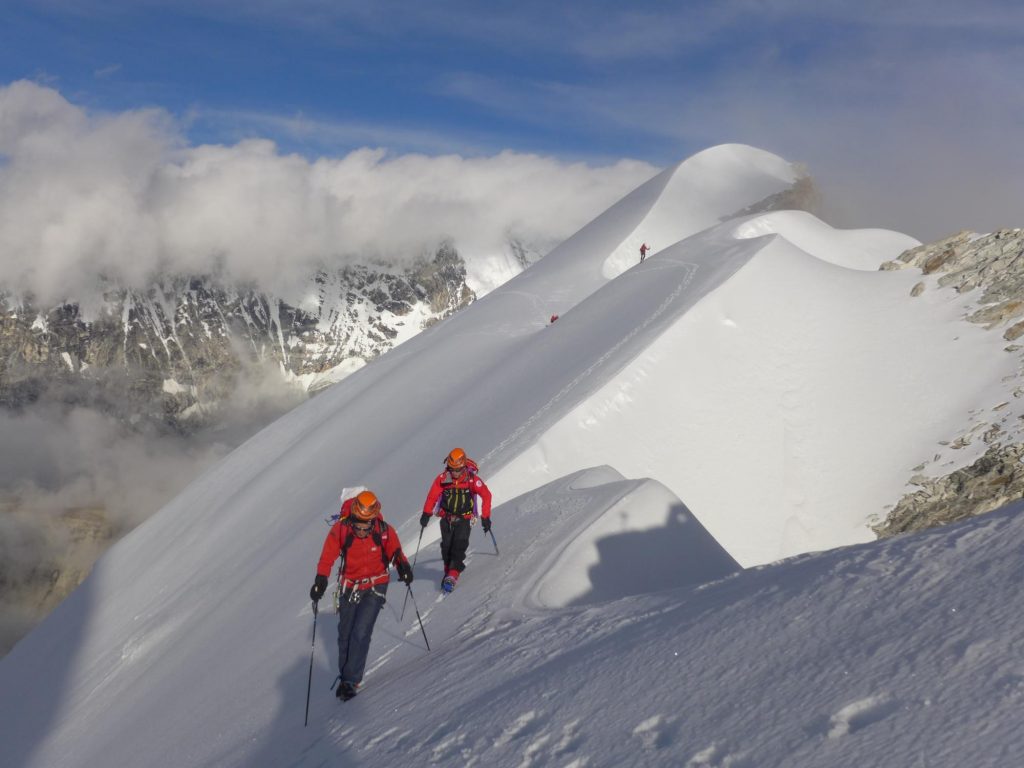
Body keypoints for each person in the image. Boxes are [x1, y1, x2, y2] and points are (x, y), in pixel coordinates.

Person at [309, 489, 413, 701]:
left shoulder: (385, 531)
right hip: (349, 587)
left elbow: (396, 552)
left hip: (376, 586)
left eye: (366, 524)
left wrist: (403, 567)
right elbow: (327, 556)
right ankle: (346, 675)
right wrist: (321, 579)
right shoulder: (341, 529)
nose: (362, 528)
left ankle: (351, 681)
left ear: (374, 518)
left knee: (361, 632)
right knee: (345, 634)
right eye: (358, 523)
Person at [419, 448, 493, 593]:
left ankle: (452, 576)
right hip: (446, 518)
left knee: (459, 545)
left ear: (464, 466)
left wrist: (485, 517)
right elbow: (432, 496)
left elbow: (486, 495)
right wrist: (426, 514)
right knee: (446, 548)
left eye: (458, 469)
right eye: (452, 469)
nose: (454, 473)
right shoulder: (443, 479)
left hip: (465, 518)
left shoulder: (472, 480)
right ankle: (449, 571)